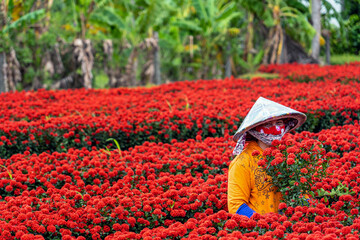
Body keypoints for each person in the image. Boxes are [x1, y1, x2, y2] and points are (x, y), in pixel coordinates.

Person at [227, 97, 306, 217]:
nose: (275, 128)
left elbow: (300, 193)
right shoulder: (242, 162)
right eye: (268, 124)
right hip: (259, 230)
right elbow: (236, 205)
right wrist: (264, 223)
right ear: (254, 130)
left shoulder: (287, 157)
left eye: (279, 123)